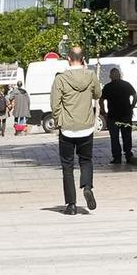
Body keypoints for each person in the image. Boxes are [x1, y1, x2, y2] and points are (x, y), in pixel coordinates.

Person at [50, 45, 101, 215]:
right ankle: (87, 187)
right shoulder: (91, 75)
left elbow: (55, 104)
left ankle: (71, 205)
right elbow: (98, 94)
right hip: (86, 127)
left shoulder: (61, 79)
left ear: (68, 59)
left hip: (67, 128)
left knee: (67, 166)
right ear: (83, 59)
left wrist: (58, 121)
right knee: (86, 160)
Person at [100, 63, 137, 166]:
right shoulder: (126, 84)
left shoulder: (107, 87)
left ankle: (117, 157)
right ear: (119, 75)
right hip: (126, 114)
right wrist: (131, 107)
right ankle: (128, 155)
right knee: (126, 136)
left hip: (112, 116)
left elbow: (101, 100)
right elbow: (135, 96)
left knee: (114, 138)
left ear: (110, 76)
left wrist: (104, 113)